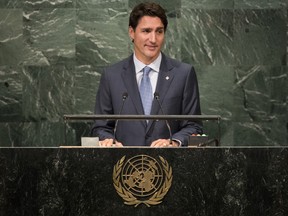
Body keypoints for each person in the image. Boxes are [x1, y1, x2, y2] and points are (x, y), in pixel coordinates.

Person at [91, 2, 203, 147]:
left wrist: (174, 142)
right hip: (124, 165)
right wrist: (108, 141)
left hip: (169, 165)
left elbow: (194, 127)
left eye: (159, 31)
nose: (153, 39)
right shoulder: (111, 76)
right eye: (146, 31)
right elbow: (100, 127)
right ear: (132, 32)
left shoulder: (184, 74)